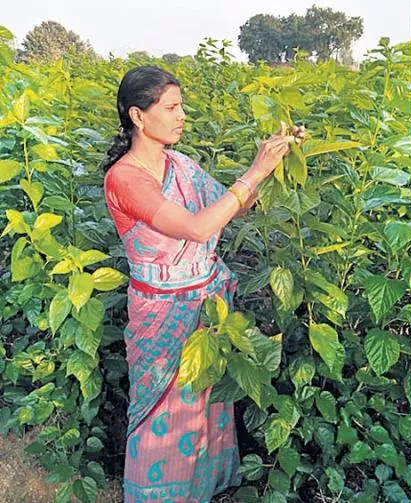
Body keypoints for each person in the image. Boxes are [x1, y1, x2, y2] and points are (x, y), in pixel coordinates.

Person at [101, 65, 305, 502]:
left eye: (182, 107)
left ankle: (202, 489)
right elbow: (196, 228)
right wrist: (253, 171)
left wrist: (272, 158)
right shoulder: (126, 177)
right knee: (163, 410)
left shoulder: (182, 166)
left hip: (205, 308)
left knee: (204, 402)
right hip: (162, 311)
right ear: (138, 116)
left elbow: (234, 208)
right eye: (171, 107)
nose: (181, 116)